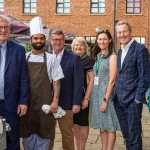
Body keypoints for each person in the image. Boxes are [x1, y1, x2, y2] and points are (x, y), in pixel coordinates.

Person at [20, 17, 64, 150]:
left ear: (45, 40)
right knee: (27, 136)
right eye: (36, 38)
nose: (39, 41)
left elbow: (57, 81)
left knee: (44, 134)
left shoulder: (51, 59)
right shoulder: (24, 57)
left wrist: (55, 101)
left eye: (41, 38)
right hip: (27, 104)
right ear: (30, 40)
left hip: (45, 105)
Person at [114, 21, 150, 150]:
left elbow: (145, 76)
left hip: (132, 101)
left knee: (134, 137)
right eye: (119, 32)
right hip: (119, 100)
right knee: (126, 135)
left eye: (124, 32)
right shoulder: (120, 50)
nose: (122, 35)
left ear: (130, 32)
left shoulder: (140, 49)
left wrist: (138, 99)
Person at [49, 29, 84, 150]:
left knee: (67, 134)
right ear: (50, 41)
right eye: (55, 39)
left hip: (67, 103)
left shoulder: (74, 58)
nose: (57, 42)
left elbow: (79, 83)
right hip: (48, 103)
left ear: (64, 41)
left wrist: (76, 102)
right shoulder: (45, 57)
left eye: (60, 39)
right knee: (48, 134)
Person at [0, 15, 29, 150]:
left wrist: (23, 101)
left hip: (10, 104)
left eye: (6, 27)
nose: (3, 30)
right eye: (0, 27)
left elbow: (24, 77)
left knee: (12, 139)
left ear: (10, 30)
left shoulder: (18, 49)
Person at [90, 29, 120, 150]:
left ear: (110, 40)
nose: (102, 41)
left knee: (110, 125)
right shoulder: (98, 56)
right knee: (103, 125)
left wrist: (105, 100)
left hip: (106, 94)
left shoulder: (112, 57)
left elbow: (112, 80)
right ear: (97, 41)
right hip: (96, 94)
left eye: (104, 39)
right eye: (100, 39)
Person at [71, 37, 94, 150]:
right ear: (73, 47)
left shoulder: (89, 60)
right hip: (71, 98)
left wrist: (86, 98)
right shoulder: (70, 59)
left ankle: (82, 147)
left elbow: (92, 81)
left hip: (83, 97)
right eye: (76, 45)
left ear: (85, 47)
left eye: (81, 45)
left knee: (83, 122)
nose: (79, 47)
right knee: (74, 122)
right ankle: (77, 146)